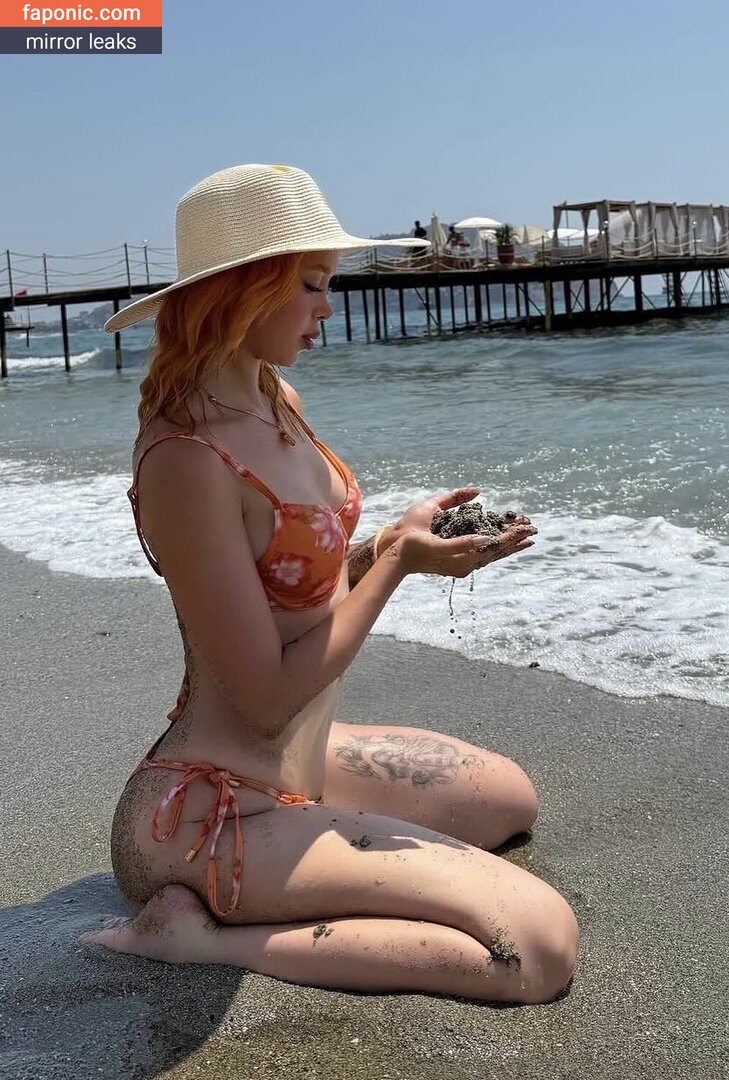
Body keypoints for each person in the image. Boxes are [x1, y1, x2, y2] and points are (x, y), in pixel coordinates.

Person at [81, 164, 578, 1004]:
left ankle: (314, 848)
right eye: (310, 284)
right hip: (215, 813)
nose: (328, 307)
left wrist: (394, 542)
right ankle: (193, 939)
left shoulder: (272, 395)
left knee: (508, 800)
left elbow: (292, 592)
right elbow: (264, 700)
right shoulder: (186, 461)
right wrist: (397, 567)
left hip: (300, 763)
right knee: (536, 948)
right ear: (243, 290)